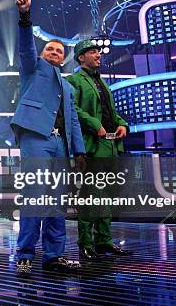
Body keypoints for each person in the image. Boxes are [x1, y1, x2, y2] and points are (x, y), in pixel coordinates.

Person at [11, 0, 86, 274]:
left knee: (56, 201)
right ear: (43, 54)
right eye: (50, 50)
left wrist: (79, 151)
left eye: (58, 51)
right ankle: (25, 255)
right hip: (36, 137)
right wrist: (25, 16)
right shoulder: (34, 69)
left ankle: (54, 256)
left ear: (64, 58)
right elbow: (26, 48)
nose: (54, 53)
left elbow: (75, 121)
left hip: (60, 144)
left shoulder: (68, 87)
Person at [66, 40, 134, 259]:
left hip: (111, 145)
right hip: (93, 145)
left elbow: (111, 113)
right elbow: (72, 109)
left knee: (107, 195)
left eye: (99, 52)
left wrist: (122, 123)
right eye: (93, 52)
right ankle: (86, 242)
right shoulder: (75, 81)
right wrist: (96, 126)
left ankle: (104, 241)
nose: (98, 55)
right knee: (91, 195)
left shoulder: (102, 83)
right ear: (80, 57)